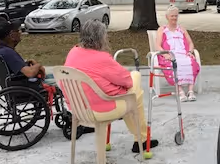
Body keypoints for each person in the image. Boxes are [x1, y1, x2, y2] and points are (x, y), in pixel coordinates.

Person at [64, 19, 158, 153]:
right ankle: (141, 139)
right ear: (101, 38)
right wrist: (120, 88)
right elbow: (127, 82)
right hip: (101, 109)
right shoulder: (102, 58)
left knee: (131, 94)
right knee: (135, 80)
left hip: (78, 109)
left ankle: (141, 138)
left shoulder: (73, 52)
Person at [155, 6, 200, 102]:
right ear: (167, 17)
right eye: (172, 16)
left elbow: (190, 43)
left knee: (191, 62)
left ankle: (190, 91)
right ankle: (180, 91)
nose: (174, 18)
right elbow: (158, 46)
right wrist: (165, 54)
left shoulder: (182, 29)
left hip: (183, 54)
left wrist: (189, 52)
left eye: (176, 16)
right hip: (170, 54)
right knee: (175, 63)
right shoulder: (162, 29)